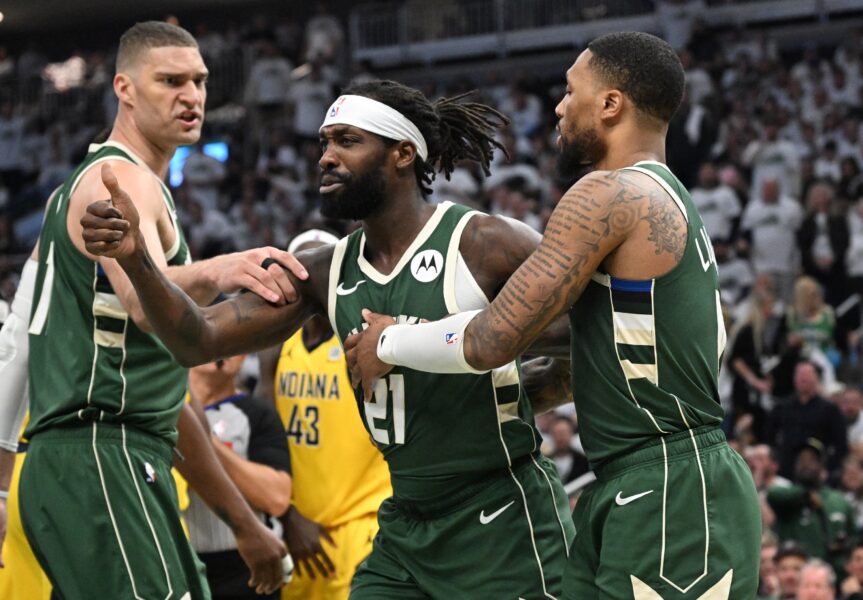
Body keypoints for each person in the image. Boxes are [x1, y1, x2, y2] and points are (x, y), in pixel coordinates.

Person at [81, 78, 576, 598]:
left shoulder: (486, 243)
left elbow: (591, 330)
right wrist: (138, 259)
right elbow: (197, 340)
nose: (326, 157)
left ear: (403, 153)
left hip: (501, 515)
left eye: (347, 141)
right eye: (324, 142)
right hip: (406, 523)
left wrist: (517, 390)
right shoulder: (323, 272)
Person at [345, 31, 761, 597]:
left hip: (671, 482)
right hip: (641, 477)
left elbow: (494, 340)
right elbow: (615, 352)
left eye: (570, 92)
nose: (559, 107)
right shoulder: (662, 196)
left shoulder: (607, 195)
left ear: (611, 104)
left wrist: (388, 343)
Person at [18, 22, 304, 599]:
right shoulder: (119, 179)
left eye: (198, 81)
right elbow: (144, 307)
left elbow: (169, 405)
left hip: (105, 457)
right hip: (99, 453)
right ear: (123, 88)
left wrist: (245, 525)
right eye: (170, 81)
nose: (192, 96)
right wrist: (218, 269)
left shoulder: (130, 182)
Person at [256, 230, 392, 600]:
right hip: (298, 528)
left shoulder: (361, 338)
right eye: (301, 265)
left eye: (321, 265)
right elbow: (265, 440)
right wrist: (287, 515)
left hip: (361, 525)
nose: (308, 275)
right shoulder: (276, 348)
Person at [185, 354, 293, 600]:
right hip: (180, 560)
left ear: (244, 358)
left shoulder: (257, 414)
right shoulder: (156, 412)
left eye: (233, 343)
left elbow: (277, 497)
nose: (219, 349)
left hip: (246, 568)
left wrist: (200, 441)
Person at [768, 439, 856, 579]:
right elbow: (773, 496)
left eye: (812, 460)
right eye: (801, 460)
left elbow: (853, 540)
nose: (806, 464)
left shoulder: (838, 501)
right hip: (795, 576)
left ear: (822, 466)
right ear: (794, 466)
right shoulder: (787, 497)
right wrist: (806, 495)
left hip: (834, 576)